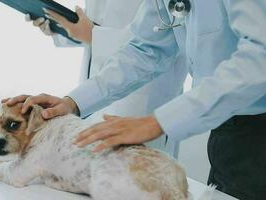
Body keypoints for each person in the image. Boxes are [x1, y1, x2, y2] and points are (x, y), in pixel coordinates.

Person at [5, 0, 266, 199]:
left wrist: (159, 121)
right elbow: (146, 48)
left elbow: (260, 58)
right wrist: (73, 102)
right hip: (228, 132)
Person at [24, 0, 187, 158]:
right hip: (99, 87)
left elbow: (158, 40)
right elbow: (98, 23)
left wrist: (93, 35)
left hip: (140, 96)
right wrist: (62, 28)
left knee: (139, 172)